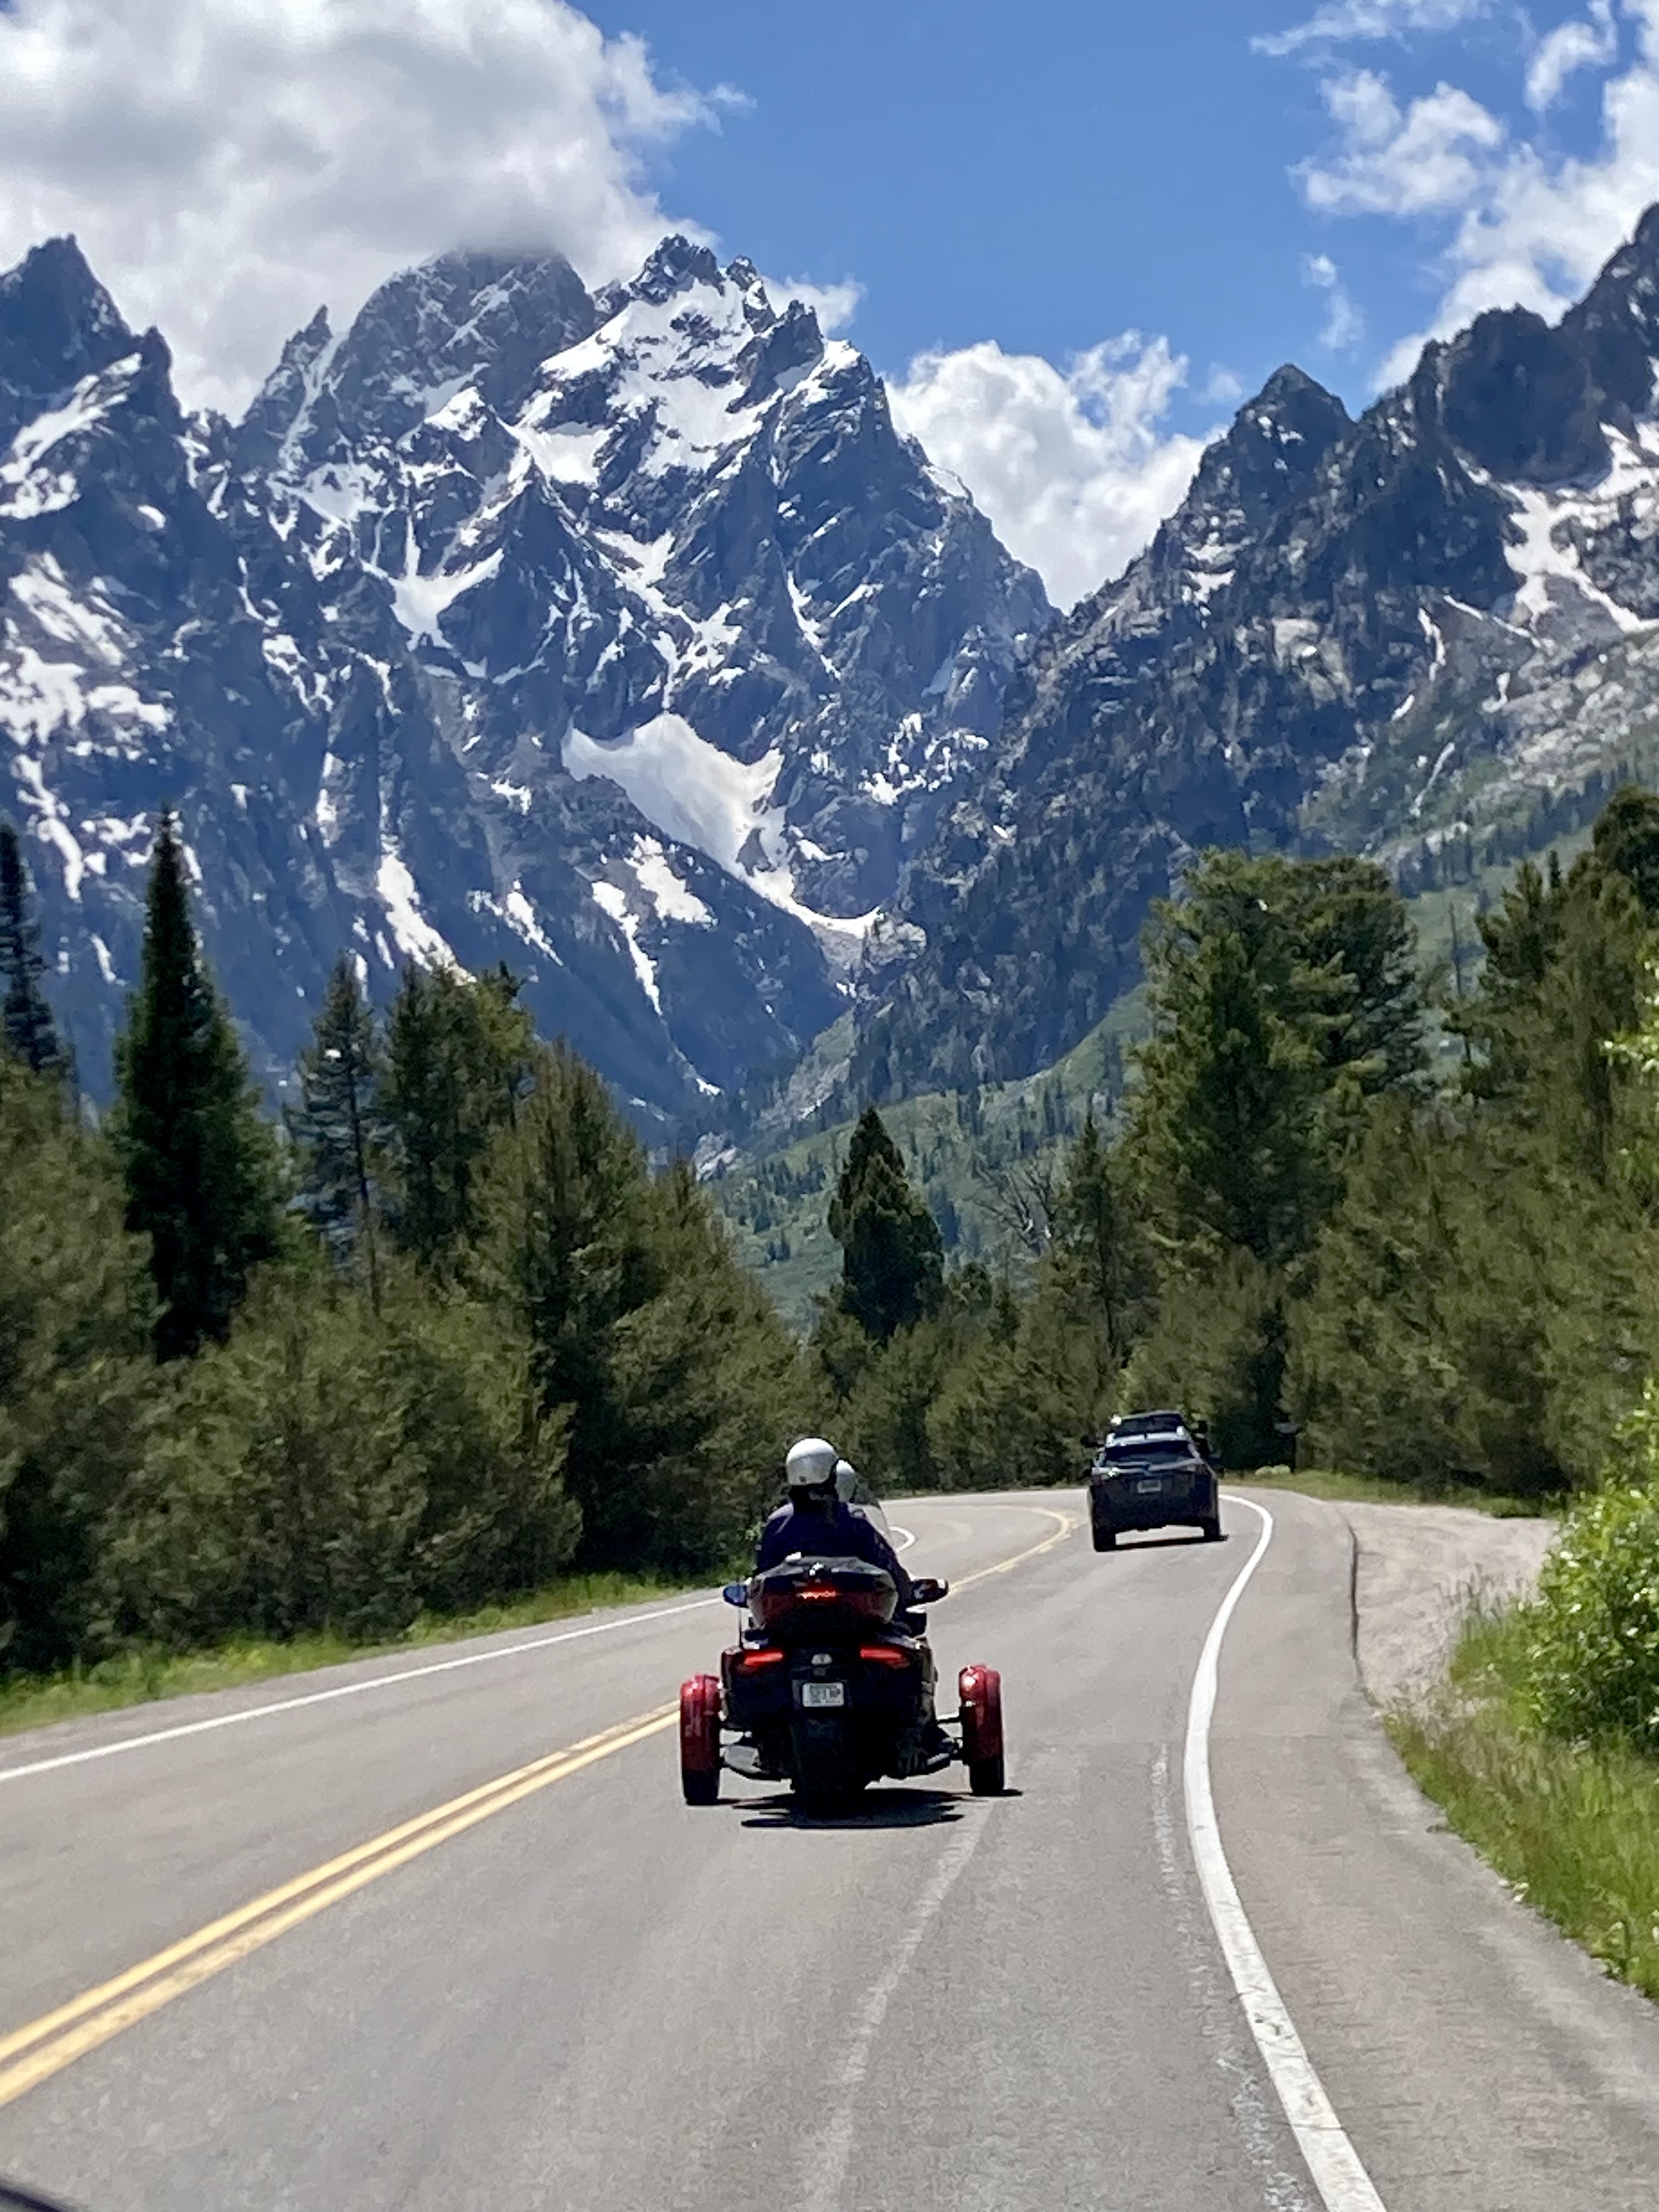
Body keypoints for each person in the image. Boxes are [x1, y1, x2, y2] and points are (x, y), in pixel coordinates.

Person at [755, 1437, 916, 1607]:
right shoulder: (854, 1518)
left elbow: (764, 1574)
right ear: (830, 1475)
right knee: (900, 1628)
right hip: (855, 1619)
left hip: (789, 1623)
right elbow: (885, 1564)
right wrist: (905, 1591)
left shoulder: (777, 1522)